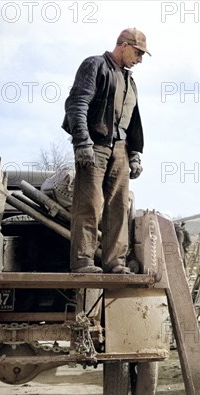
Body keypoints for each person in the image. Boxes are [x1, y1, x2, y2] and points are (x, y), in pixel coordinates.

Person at [62, 28, 150, 274]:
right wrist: (82, 142)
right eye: (138, 52)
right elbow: (77, 103)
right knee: (89, 204)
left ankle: (114, 263)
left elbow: (133, 120)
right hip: (95, 145)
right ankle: (82, 262)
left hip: (121, 148)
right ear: (123, 45)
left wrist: (134, 154)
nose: (140, 59)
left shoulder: (129, 80)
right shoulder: (95, 65)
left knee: (119, 207)